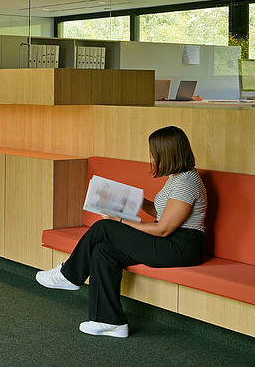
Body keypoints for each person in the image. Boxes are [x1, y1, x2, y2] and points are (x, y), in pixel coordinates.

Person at [35, 125, 207, 338]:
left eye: (154, 153)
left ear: (168, 153)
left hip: (179, 247)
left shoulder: (187, 183)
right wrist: (130, 199)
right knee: (103, 251)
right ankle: (110, 321)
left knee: (104, 227)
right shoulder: (177, 177)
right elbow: (162, 212)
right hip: (169, 241)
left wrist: (121, 220)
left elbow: (163, 229)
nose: (152, 158)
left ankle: (69, 274)